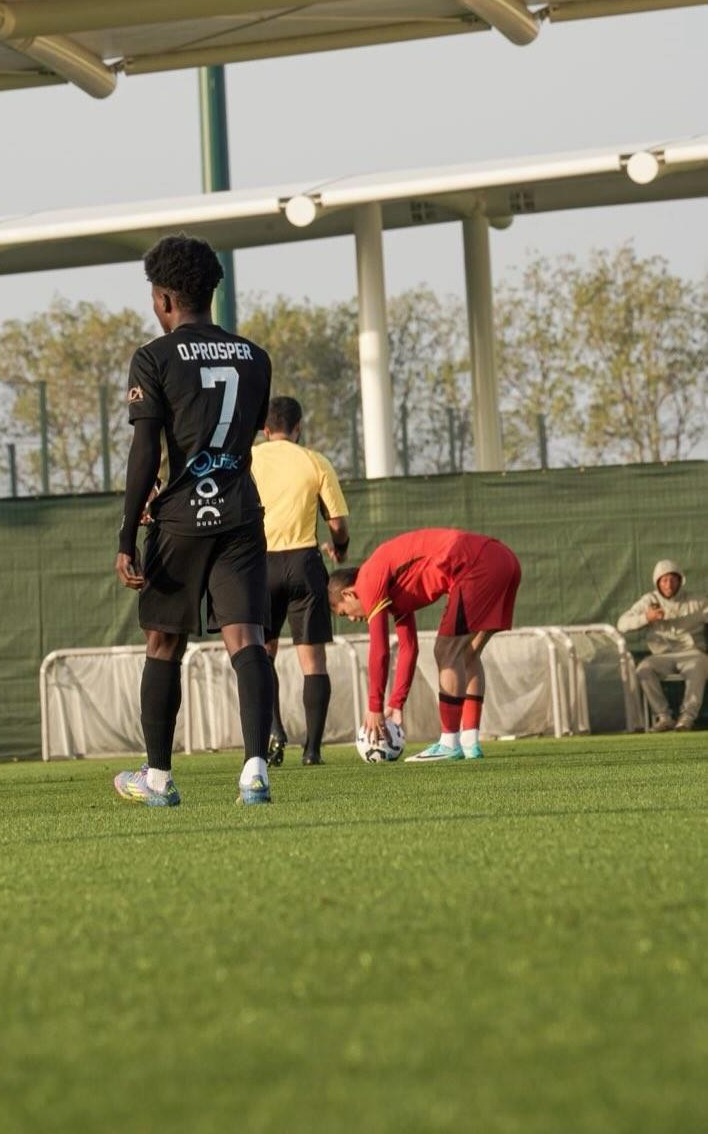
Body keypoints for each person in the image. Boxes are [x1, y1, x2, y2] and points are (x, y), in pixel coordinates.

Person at [113, 234, 274, 806]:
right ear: (210, 293)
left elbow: (145, 451)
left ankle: (158, 778)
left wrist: (127, 534)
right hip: (239, 514)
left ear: (163, 299)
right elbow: (237, 434)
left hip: (181, 519)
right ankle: (255, 769)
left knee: (163, 643)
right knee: (247, 638)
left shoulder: (153, 357)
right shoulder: (256, 358)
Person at [328, 527, 521, 761]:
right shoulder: (392, 588)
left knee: (446, 650)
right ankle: (470, 742)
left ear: (348, 594)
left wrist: (374, 707)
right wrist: (396, 703)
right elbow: (409, 648)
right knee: (467, 654)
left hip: (476, 564)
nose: (351, 619)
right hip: (504, 560)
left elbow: (379, 650)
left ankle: (449, 743)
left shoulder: (368, 581)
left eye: (344, 613)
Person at [251, 396, 349, 766]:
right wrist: (341, 547)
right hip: (304, 561)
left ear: (265, 429)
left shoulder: (249, 458)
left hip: (261, 563)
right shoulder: (315, 461)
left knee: (263, 653)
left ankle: (274, 733)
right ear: (298, 427)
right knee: (313, 661)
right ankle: (312, 750)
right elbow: (337, 523)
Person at [617, 560, 708, 732]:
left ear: (680, 580)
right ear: (657, 582)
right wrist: (646, 617)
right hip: (661, 656)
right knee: (644, 669)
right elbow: (622, 624)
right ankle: (664, 717)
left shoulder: (697, 601)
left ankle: (687, 718)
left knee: (697, 666)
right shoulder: (649, 601)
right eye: (664, 580)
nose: (669, 584)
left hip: (693, 653)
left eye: (673, 579)